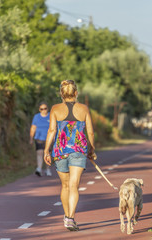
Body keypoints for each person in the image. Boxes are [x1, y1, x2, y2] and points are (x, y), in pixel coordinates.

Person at [43, 80, 96, 231]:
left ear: (61, 93)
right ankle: (70, 218)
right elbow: (90, 132)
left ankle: (68, 217)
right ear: (76, 93)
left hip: (60, 151)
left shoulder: (55, 109)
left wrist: (47, 150)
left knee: (65, 185)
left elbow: (52, 131)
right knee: (74, 185)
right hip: (78, 150)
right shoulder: (84, 109)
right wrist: (92, 150)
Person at [30, 101, 52, 177]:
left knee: (47, 154)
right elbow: (33, 128)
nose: (43, 110)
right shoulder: (36, 117)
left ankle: (47, 169)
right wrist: (31, 138)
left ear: (47, 109)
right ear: (39, 109)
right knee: (39, 153)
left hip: (48, 139)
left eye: (45, 108)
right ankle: (39, 168)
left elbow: (54, 127)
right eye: (42, 109)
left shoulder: (51, 116)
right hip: (39, 138)